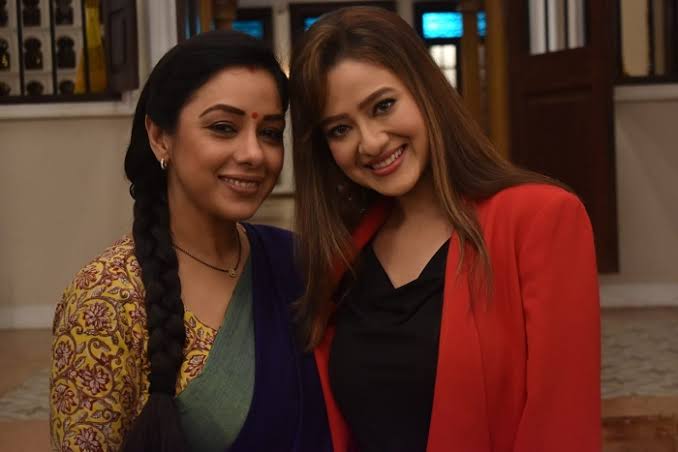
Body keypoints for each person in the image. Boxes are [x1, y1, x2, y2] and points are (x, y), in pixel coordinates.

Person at [289, 7, 600, 452]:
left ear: (426, 91)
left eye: (383, 106)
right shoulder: (343, 257)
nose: (371, 142)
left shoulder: (540, 218)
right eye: (341, 129)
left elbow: (562, 424)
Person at [49, 30, 330, 452]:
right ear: (160, 136)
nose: (254, 153)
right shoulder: (106, 300)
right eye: (223, 127)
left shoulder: (295, 262)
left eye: (271, 132)